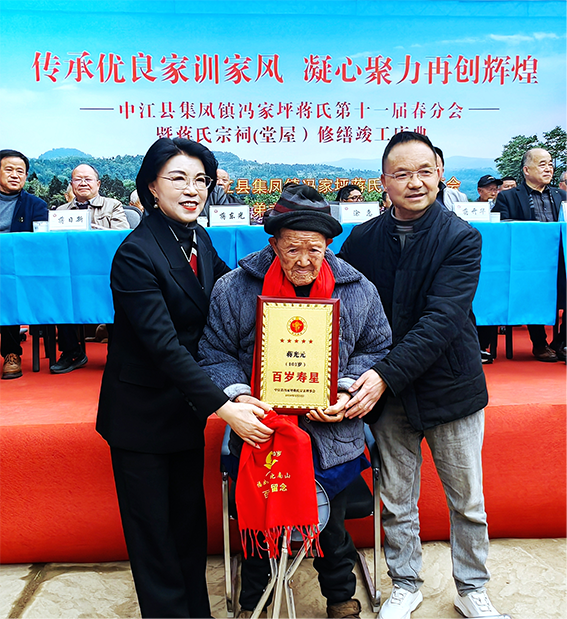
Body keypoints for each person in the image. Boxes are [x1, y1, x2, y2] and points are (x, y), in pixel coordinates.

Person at [96, 137, 272, 619]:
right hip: (141, 416)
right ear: (151, 187)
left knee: (188, 526)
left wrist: (285, 261)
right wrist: (226, 406)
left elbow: (231, 293)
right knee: (155, 537)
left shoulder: (200, 238)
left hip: (184, 409)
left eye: (201, 180)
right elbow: (165, 347)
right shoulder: (136, 254)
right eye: (177, 178)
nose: (192, 190)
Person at [198, 184, 392, 619]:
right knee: (260, 526)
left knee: (331, 529)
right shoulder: (235, 288)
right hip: (262, 431)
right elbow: (214, 353)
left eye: (314, 250)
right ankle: (254, 603)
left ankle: (341, 599)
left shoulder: (357, 288)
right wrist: (241, 397)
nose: (304, 260)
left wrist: (345, 388)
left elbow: (377, 347)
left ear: (328, 246)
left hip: (330, 435)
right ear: (273, 245)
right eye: (292, 249)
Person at [339, 131, 509, 619]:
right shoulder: (362, 239)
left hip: (448, 387)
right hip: (388, 394)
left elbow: (441, 320)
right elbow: (341, 304)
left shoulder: (461, 237)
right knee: (397, 497)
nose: (415, 182)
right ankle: (405, 583)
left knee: (467, 500)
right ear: (383, 181)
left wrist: (382, 375)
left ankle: (471, 588)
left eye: (424, 172)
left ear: (440, 175)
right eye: (402, 173)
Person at [50, 163, 130, 374]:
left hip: (106, 271)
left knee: (115, 297)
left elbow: (121, 237)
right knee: (60, 294)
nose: (83, 183)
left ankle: (116, 354)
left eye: (88, 179)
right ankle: (71, 352)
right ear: (71, 184)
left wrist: (91, 229)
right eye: (78, 179)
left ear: (98, 183)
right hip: (72, 272)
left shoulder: (112, 205)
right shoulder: (61, 211)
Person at [493, 148, 567, 361]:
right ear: (526, 170)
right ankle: (539, 343)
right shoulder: (508, 197)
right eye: (542, 164)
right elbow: (502, 230)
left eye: (550, 164)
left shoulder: (562, 195)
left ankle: (562, 341)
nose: (549, 168)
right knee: (533, 290)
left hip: (560, 259)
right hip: (527, 263)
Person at [0, 149, 48, 379]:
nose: (15, 175)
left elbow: (40, 246)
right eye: (9, 170)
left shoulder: (36, 205)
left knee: (7, 288)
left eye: (20, 171)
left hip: (18, 269)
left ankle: (11, 353)